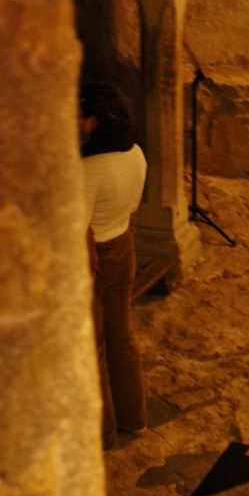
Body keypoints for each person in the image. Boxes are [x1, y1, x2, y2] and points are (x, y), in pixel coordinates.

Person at [79, 82, 147, 450]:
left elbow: (79, 228)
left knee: (94, 346)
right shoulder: (136, 154)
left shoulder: (89, 168)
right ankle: (133, 418)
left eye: (79, 114)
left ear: (93, 122)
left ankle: (103, 434)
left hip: (96, 257)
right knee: (122, 336)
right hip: (124, 246)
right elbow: (133, 207)